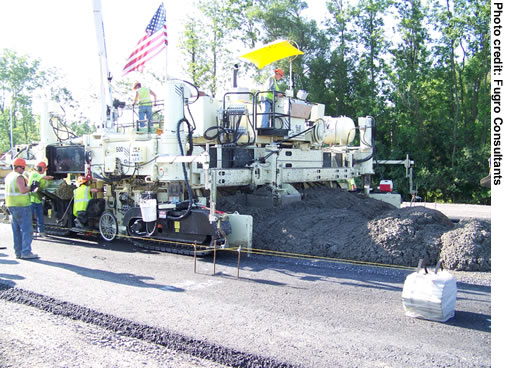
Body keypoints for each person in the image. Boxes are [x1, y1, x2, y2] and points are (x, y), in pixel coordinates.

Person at [4, 158, 38, 259]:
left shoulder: (9, 176)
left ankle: (18, 252)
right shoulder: (19, 177)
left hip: (11, 205)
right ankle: (26, 252)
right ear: (19, 167)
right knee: (27, 229)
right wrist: (31, 187)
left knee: (16, 230)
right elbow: (22, 190)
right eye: (23, 168)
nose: (23, 170)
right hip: (22, 205)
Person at [28, 161, 54, 237]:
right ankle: (30, 232)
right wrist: (51, 177)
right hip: (32, 200)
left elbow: (44, 185)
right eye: (43, 169)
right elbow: (45, 178)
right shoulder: (34, 174)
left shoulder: (40, 177)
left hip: (38, 200)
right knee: (31, 217)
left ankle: (41, 231)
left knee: (40, 217)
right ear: (39, 168)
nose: (44, 171)